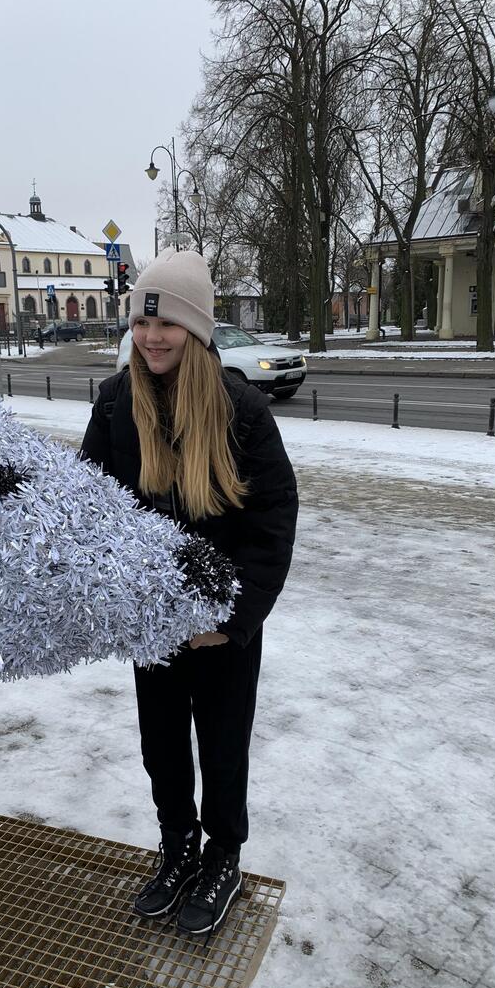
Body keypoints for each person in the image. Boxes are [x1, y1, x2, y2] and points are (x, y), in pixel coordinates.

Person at [80, 250, 298, 939]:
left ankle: (222, 857)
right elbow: (87, 504)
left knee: (224, 746)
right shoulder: (116, 400)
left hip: (221, 624)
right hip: (151, 623)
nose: (151, 338)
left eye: (167, 324)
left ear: (196, 329)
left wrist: (232, 618)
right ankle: (176, 847)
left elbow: (273, 520)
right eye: (142, 324)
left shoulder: (241, 409)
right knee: (163, 744)